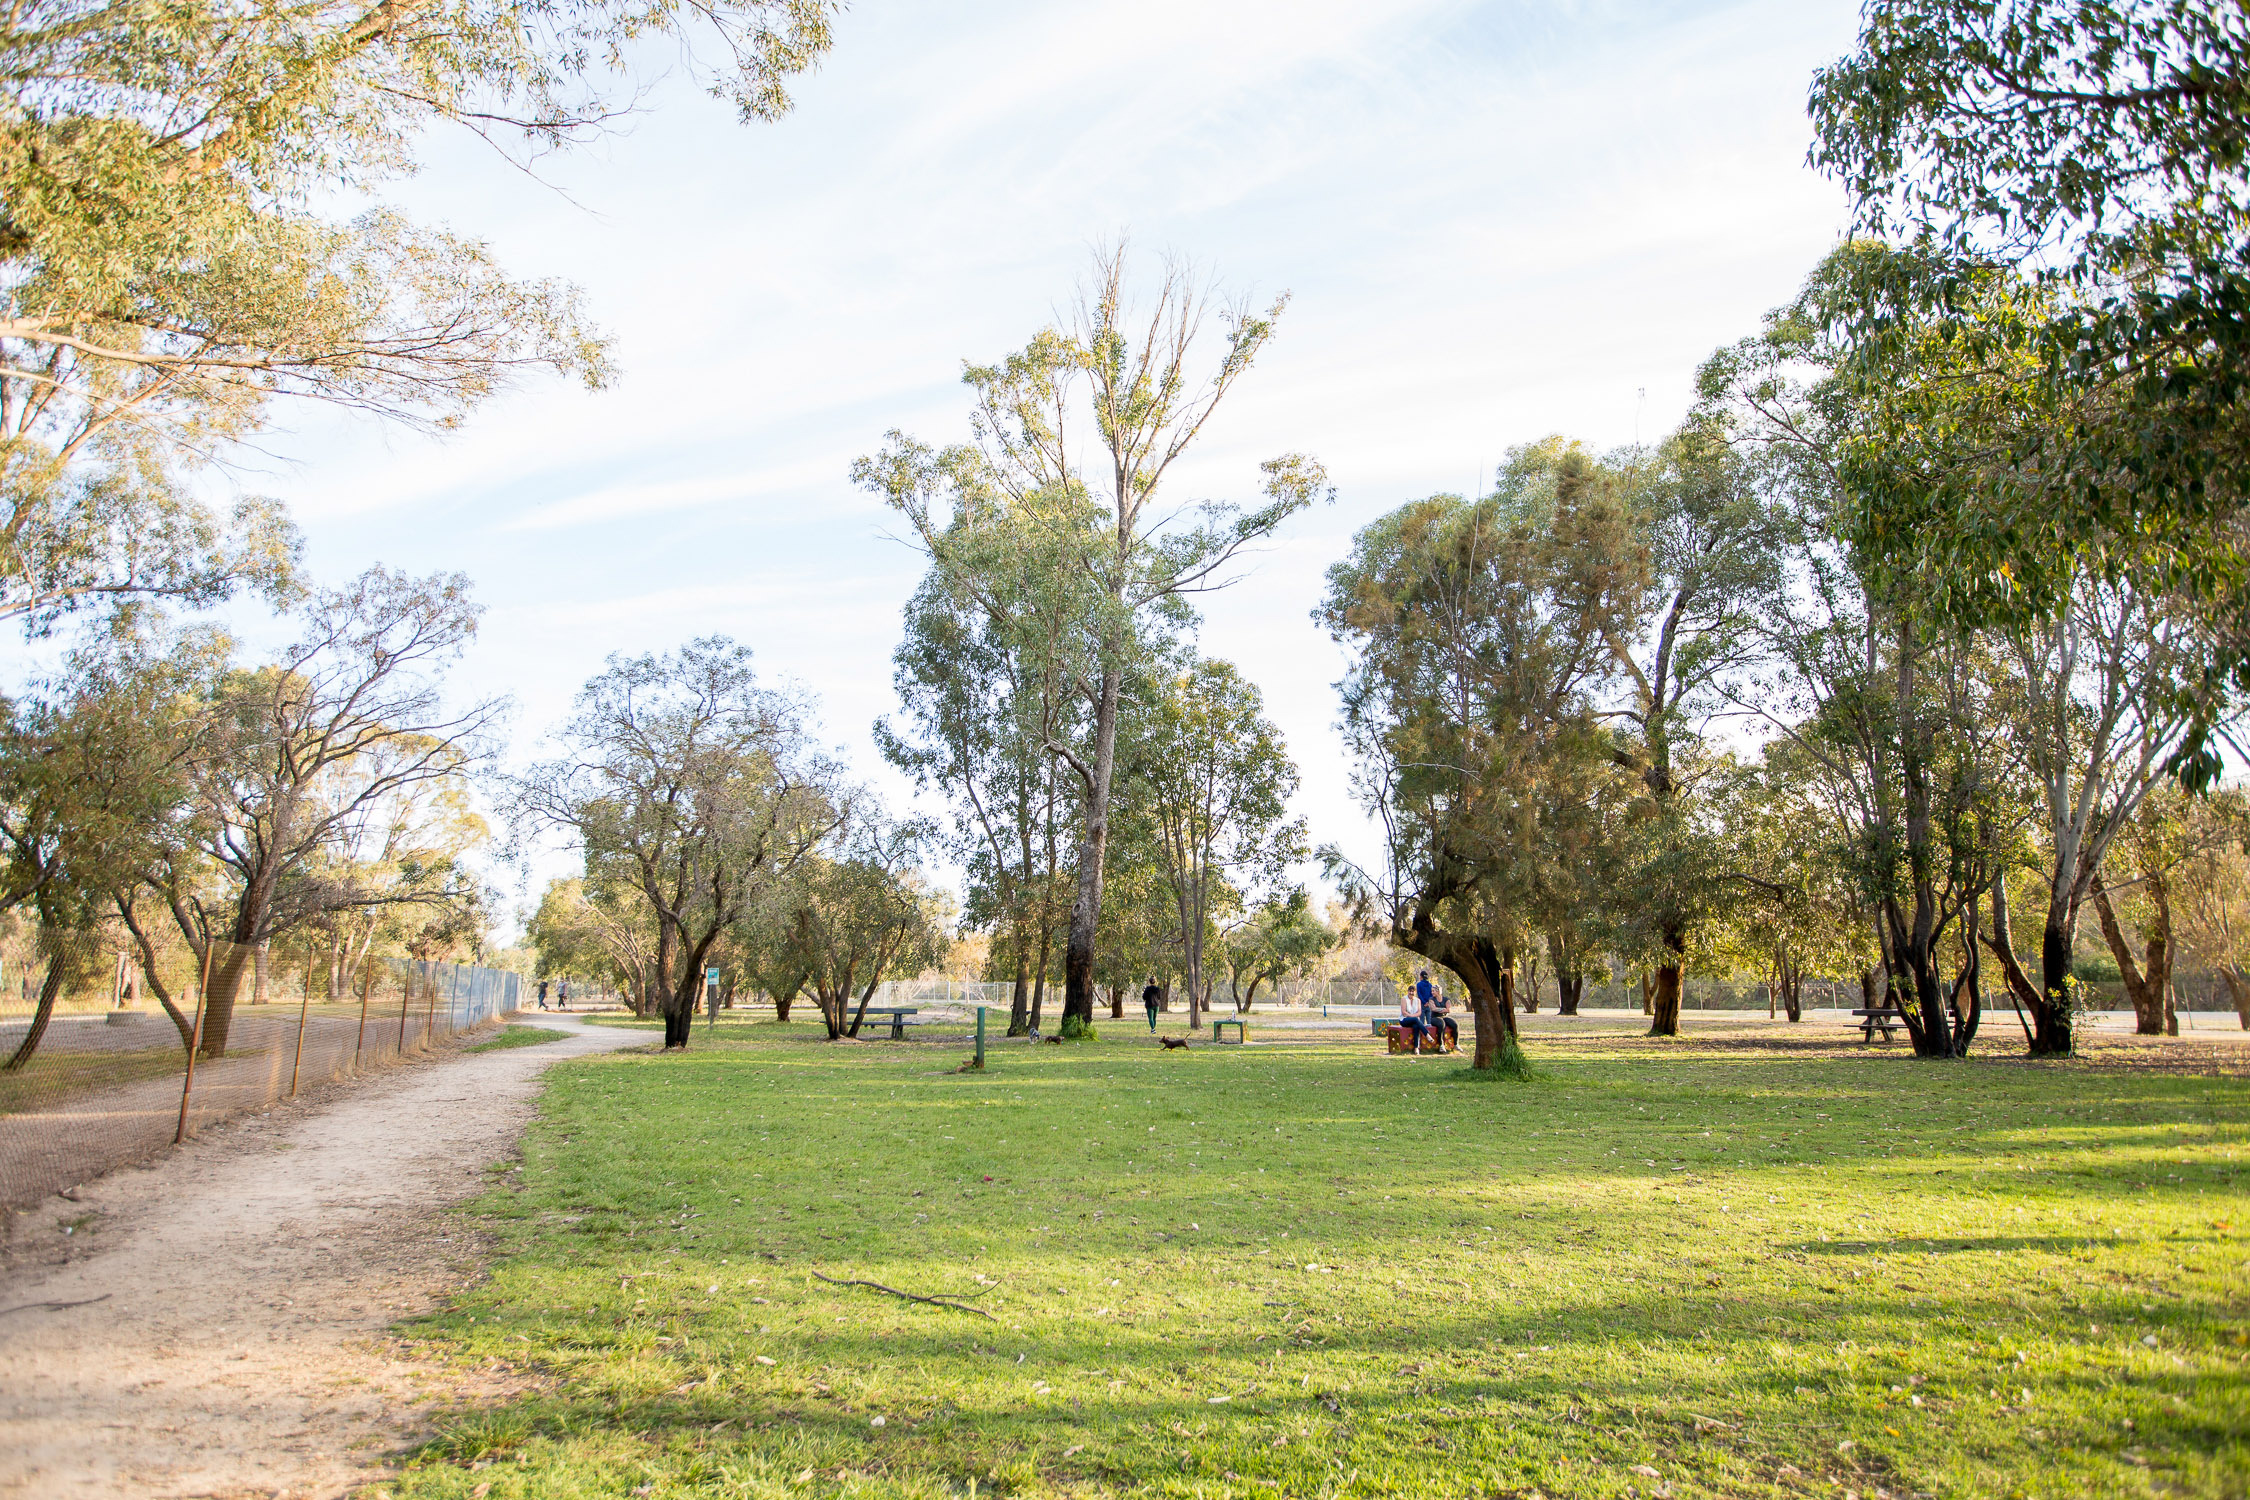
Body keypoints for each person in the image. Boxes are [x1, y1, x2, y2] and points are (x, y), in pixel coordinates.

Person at [1424, 982, 1458, 1051]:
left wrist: (1440, 1009)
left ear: (1438, 991)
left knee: (1454, 1024)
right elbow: (1433, 1009)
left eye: (1433, 991)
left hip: (1444, 1017)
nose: (1432, 992)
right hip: (1434, 1018)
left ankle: (1456, 1044)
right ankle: (1441, 1045)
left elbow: (1448, 1010)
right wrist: (1443, 1009)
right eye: (1432, 991)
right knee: (1441, 1024)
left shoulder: (1446, 999)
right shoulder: (1431, 999)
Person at [1396, 982, 1425, 1050]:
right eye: (1410, 991)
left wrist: (1412, 1016)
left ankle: (1416, 1047)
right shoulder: (1404, 999)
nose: (1411, 993)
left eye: (1413, 991)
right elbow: (1404, 1013)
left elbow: (1419, 1013)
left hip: (1414, 1021)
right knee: (1416, 1019)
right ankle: (1426, 1033)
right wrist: (1412, 1016)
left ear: (1415, 992)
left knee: (1416, 1026)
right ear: (1408, 991)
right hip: (1404, 1020)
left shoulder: (1418, 1000)